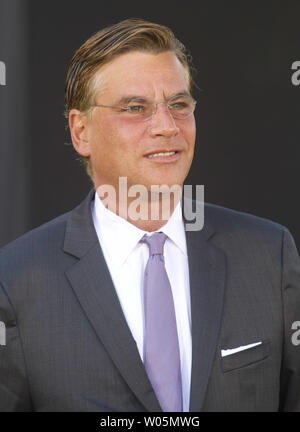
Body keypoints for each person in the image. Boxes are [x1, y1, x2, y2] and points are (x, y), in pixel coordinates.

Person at [0, 18, 299, 412]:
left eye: (178, 104)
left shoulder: (268, 255)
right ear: (81, 131)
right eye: (135, 108)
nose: (166, 126)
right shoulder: (17, 280)